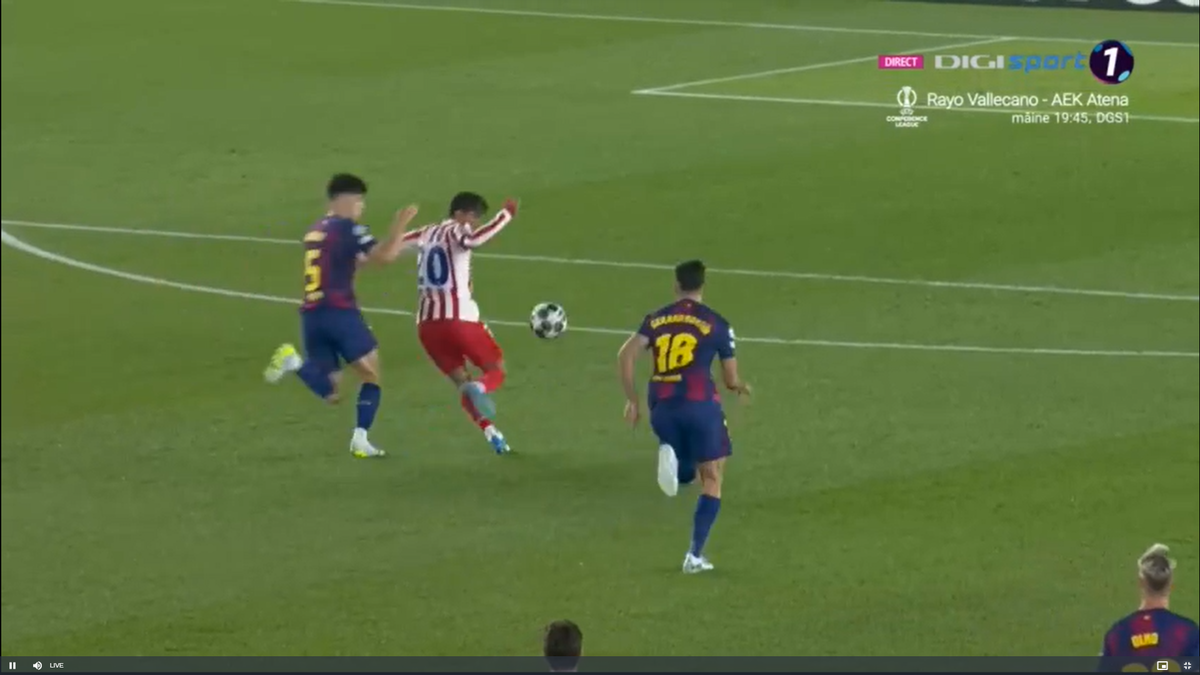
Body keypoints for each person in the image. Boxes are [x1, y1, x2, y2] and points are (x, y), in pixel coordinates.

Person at [263, 173, 419, 458]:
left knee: (332, 392)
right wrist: (399, 225)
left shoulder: (316, 230)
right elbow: (381, 258)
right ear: (344, 200)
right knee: (371, 375)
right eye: (359, 201)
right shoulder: (348, 228)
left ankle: (294, 362)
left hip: (312, 315)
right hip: (339, 312)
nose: (361, 207)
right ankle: (360, 439)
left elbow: (357, 261)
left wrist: (402, 247)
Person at [617, 260, 750, 573]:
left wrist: (633, 400)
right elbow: (730, 379)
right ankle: (694, 555)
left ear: (676, 285)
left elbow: (626, 355)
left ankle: (677, 465)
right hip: (700, 406)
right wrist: (741, 387)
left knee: (687, 462)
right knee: (713, 476)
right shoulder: (717, 323)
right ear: (703, 285)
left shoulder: (656, 319)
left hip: (661, 408)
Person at [402, 191, 518, 455]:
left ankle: (491, 433)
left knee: (462, 385)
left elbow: (394, 245)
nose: (474, 224)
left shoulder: (425, 233)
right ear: (460, 213)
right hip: (458, 320)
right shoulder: (456, 229)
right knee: (496, 370)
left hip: (427, 327)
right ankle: (480, 387)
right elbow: (473, 240)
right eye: (474, 217)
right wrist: (505, 215)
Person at [1100, 543, 1199, 670]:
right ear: (1171, 585)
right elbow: (1191, 667)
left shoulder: (1118, 634)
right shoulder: (1186, 631)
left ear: (1141, 583)